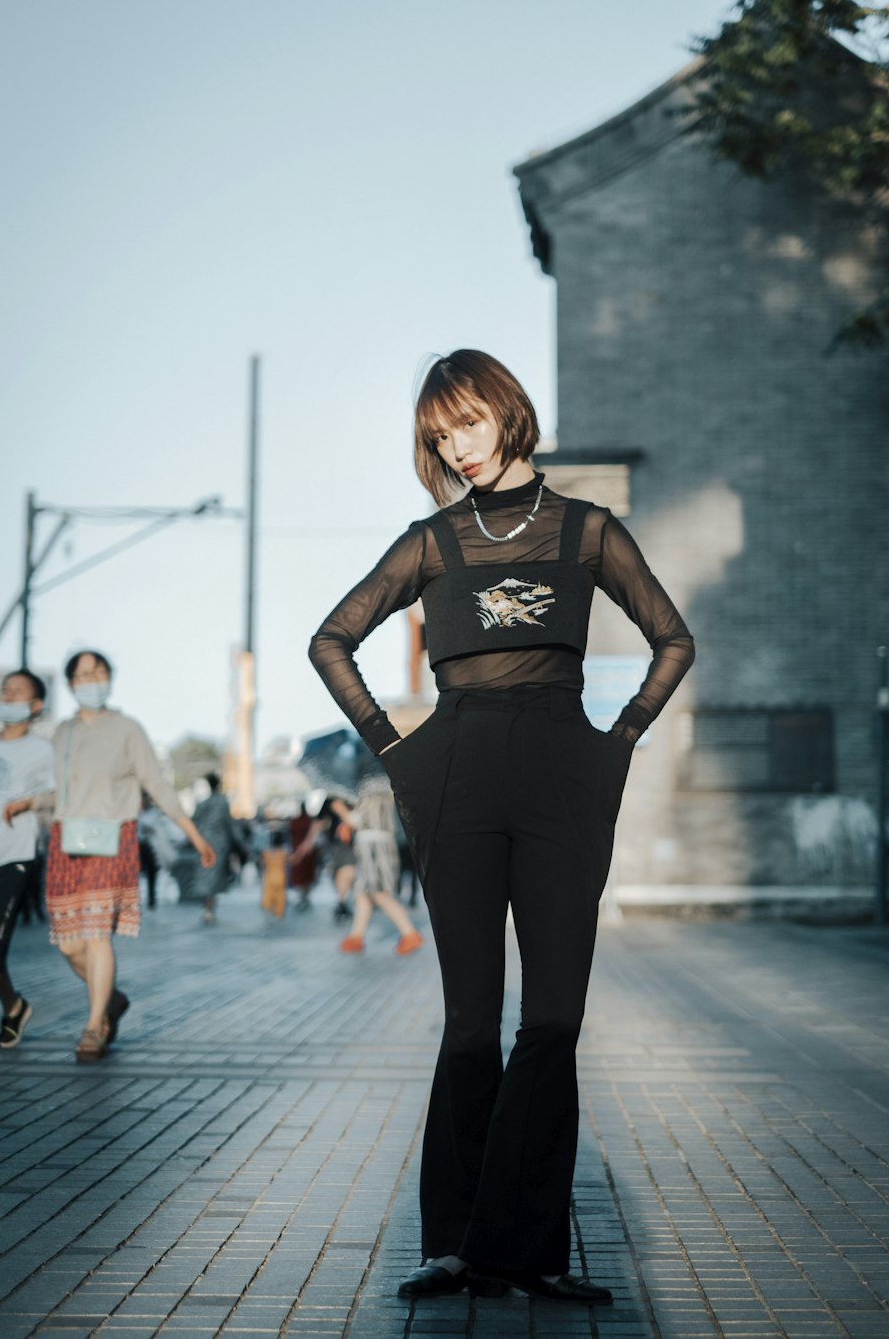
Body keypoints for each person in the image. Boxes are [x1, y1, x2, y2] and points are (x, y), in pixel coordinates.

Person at [309, 350, 694, 1305]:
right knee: (471, 1023)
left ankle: (530, 1250)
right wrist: (396, 751)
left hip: (566, 771)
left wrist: (620, 741)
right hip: (459, 773)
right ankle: (456, 1246)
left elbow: (673, 638)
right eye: (440, 436)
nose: (457, 448)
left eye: (468, 424)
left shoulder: (588, 534)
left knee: (554, 1021)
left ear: (509, 414)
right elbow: (332, 639)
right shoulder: (434, 542)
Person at [42, 650, 215, 1062]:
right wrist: (27, 804)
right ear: (71, 684)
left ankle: (94, 1024)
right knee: (69, 945)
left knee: (97, 935)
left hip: (112, 839)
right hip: (65, 843)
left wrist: (194, 833)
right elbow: (60, 791)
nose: (92, 680)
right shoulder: (62, 734)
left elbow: (156, 784)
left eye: (99, 672)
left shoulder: (126, 729)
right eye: (83, 674)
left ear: (110, 678)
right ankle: (111, 998)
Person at [0, 669, 54, 1050]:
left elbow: (61, 793)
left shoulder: (42, 751)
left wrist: (29, 802)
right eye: (5, 690)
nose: (8, 695)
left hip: (14, 857)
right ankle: (14, 1006)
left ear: (35, 705)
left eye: (17, 692)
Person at [337, 775, 423, 955]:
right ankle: (356, 936)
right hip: (376, 843)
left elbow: (360, 820)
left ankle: (410, 933)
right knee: (363, 892)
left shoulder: (371, 785)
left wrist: (340, 810)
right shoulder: (384, 782)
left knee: (379, 892)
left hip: (374, 845)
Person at [192, 773, 246, 924]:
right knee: (213, 878)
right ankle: (210, 908)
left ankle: (207, 908)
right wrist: (241, 844)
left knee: (205, 875)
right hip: (219, 845)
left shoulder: (202, 804)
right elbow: (230, 825)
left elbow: (194, 822)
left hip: (203, 843)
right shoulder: (222, 802)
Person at [288, 801, 318, 911]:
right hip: (307, 851)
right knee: (305, 875)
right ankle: (304, 896)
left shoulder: (295, 821)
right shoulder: (309, 820)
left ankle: (302, 897)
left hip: (299, 849)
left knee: (301, 874)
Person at [260, 824, 289, 920]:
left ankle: (270, 909)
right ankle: (279, 913)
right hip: (281, 875)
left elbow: (262, 863)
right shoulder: (284, 852)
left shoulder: (266, 852)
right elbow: (290, 861)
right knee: (280, 895)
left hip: (269, 876)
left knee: (269, 894)